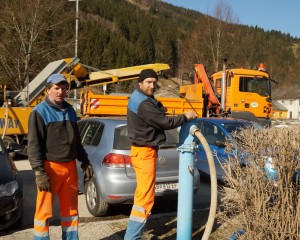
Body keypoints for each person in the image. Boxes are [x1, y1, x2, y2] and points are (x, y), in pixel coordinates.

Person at [124, 69, 197, 239]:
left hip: (141, 151)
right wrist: (185, 117)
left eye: (154, 82)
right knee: (145, 201)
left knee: (141, 196)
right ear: (140, 83)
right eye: (148, 82)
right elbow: (164, 122)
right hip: (145, 152)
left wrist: (160, 108)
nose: (152, 85)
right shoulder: (143, 102)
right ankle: (132, 237)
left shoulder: (140, 98)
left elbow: (155, 110)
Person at [27, 73, 94, 240]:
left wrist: (85, 162)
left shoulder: (71, 110)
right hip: (49, 168)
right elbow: (33, 146)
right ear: (47, 90)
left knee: (70, 211)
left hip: (70, 167)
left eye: (64, 88)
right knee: (44, 212)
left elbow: (77, 142)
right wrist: (39, 172)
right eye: (56, 88)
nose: (60, 92)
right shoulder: (39, 112)